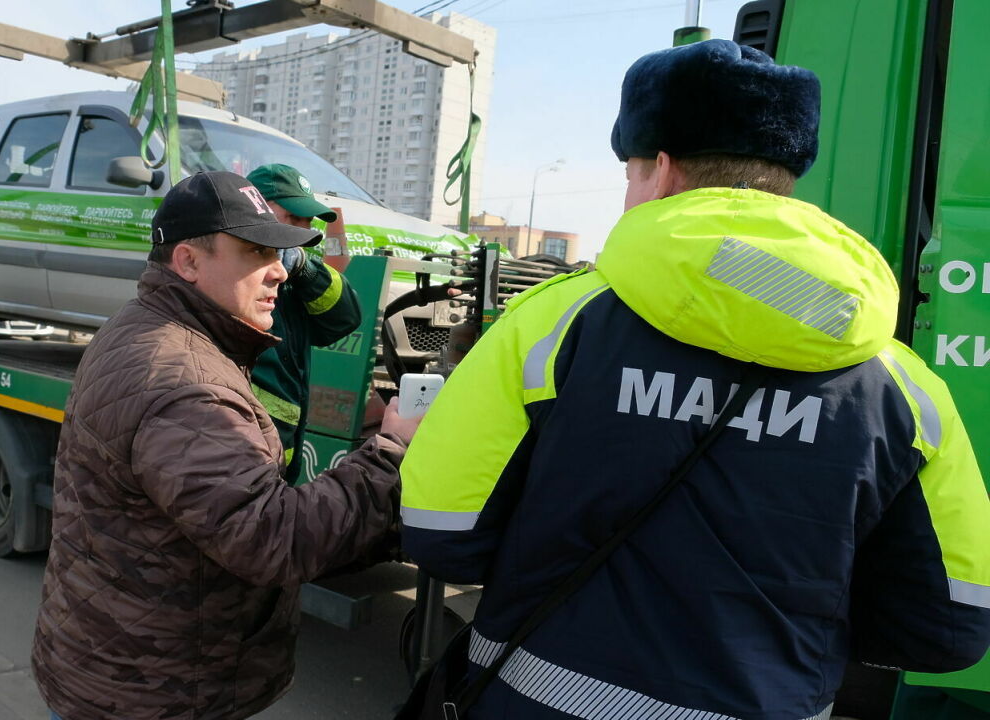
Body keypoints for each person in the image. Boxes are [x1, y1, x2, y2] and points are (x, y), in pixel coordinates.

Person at [400, 39, 990, 719]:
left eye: (628, 172)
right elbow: (948, 627)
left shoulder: (552, 325)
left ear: (662, 169)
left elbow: (442, 536)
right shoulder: (904, 387)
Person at [31, 171, 419, 720]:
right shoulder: (184, 382)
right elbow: (273, 538)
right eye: (257, 252)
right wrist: (391, 451)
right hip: (156, 691)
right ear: (188, 262)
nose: (279, 272)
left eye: (280, 253)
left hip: (122, 666)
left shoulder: (148, 325)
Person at [245, 163, 361, 484]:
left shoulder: (295, 273)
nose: (303, 229)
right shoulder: (236, 277)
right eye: (293, 218)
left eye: (307, 220)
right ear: (256, 209)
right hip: (246, 452)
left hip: (280, 459)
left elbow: (344, 319)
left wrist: (304, 268)